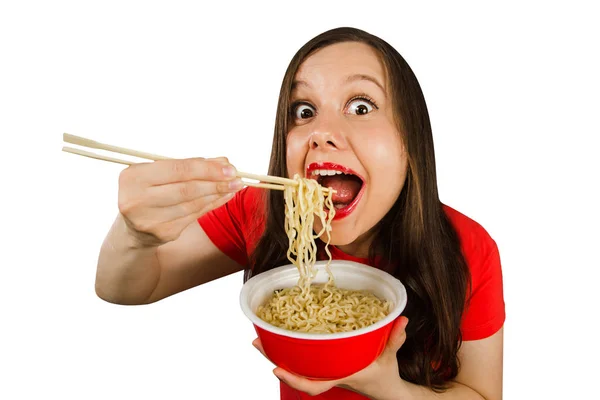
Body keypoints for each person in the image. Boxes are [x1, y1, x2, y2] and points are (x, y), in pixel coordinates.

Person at [96, 27, 505, 400]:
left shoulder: (467, 247)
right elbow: (127, 288)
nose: (319, 132)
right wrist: (136, 234)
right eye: (304, 111)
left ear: (409, 139)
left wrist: (387, 387)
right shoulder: (260, 210)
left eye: (361, 106)